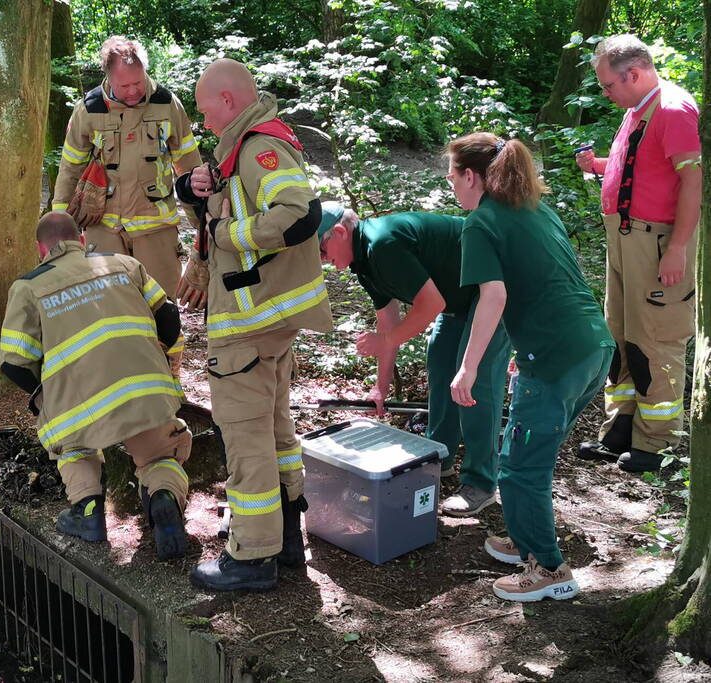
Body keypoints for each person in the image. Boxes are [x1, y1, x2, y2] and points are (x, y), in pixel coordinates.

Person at [176, 59, 333, 591]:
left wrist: (225, 234)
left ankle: (251, 556)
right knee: (275, 429)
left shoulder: (260, 148)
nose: (202, 119)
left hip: (247, 322)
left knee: (245, 438)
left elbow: (297, 214)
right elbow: (235, 196)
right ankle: (288, 535)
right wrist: (195, 186)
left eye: (205, 109)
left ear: (227, 101)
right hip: (265, 318)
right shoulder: (246, 144)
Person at [448, 132, 614, 601]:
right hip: (593, 346)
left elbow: (494, 297)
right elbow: (547, 280)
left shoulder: (480, 223)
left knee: (521, 468)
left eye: (453, 176)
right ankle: (524, 540)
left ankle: (549, 569)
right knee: (526, 453)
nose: (451, 185)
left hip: (557, 357)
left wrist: (468, 368)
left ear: (471, 176)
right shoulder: (538, 209)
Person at [0, 212, 192, 560]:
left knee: (72, 442)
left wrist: (47, 396)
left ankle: (87, 511)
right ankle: (163, 496)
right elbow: (169, 318)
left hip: (78, 404)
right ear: (82, 240)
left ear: (41, 250)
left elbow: (13, 362)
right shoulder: (123, 263)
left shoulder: (28, 287)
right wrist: (157, 361)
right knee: (160, 455)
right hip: (143, 385)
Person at [317, 204, 511, 516]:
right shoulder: (364, 261)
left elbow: (430, 304)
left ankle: (481, 483)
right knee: (441, 369)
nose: (324, 261)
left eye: (322, 251)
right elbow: (389, 323)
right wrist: (380, 388)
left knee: (475, 381)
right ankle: (439, 458)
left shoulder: (382, 244)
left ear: (339, 233)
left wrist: (384, 341)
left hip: (492, 289)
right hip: (457, 302)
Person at [574, 35, 700, 473]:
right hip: (625, 239)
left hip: (658, 242)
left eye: (609, 85)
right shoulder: (637, 111)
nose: (605, 93)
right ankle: (621, 430)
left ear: (634, 73)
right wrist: (597, 167)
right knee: (622, 336)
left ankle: (658, 443)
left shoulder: (673, 108)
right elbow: (639, 170)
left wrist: (678, 248)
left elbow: (691, 182)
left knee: (656, 340)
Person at [53, 36, 200, 372]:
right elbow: (70, 169)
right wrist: (59, 223)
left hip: (156, 227)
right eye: (125, 85)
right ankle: (123, 379)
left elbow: (189, 166)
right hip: (104, 228)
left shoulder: (167, 104)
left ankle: (169, 377)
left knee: (164, 307)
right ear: (108, 78)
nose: (134, 91)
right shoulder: (89, 110)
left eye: (138, 82)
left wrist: (203, 223)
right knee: (109, 308)